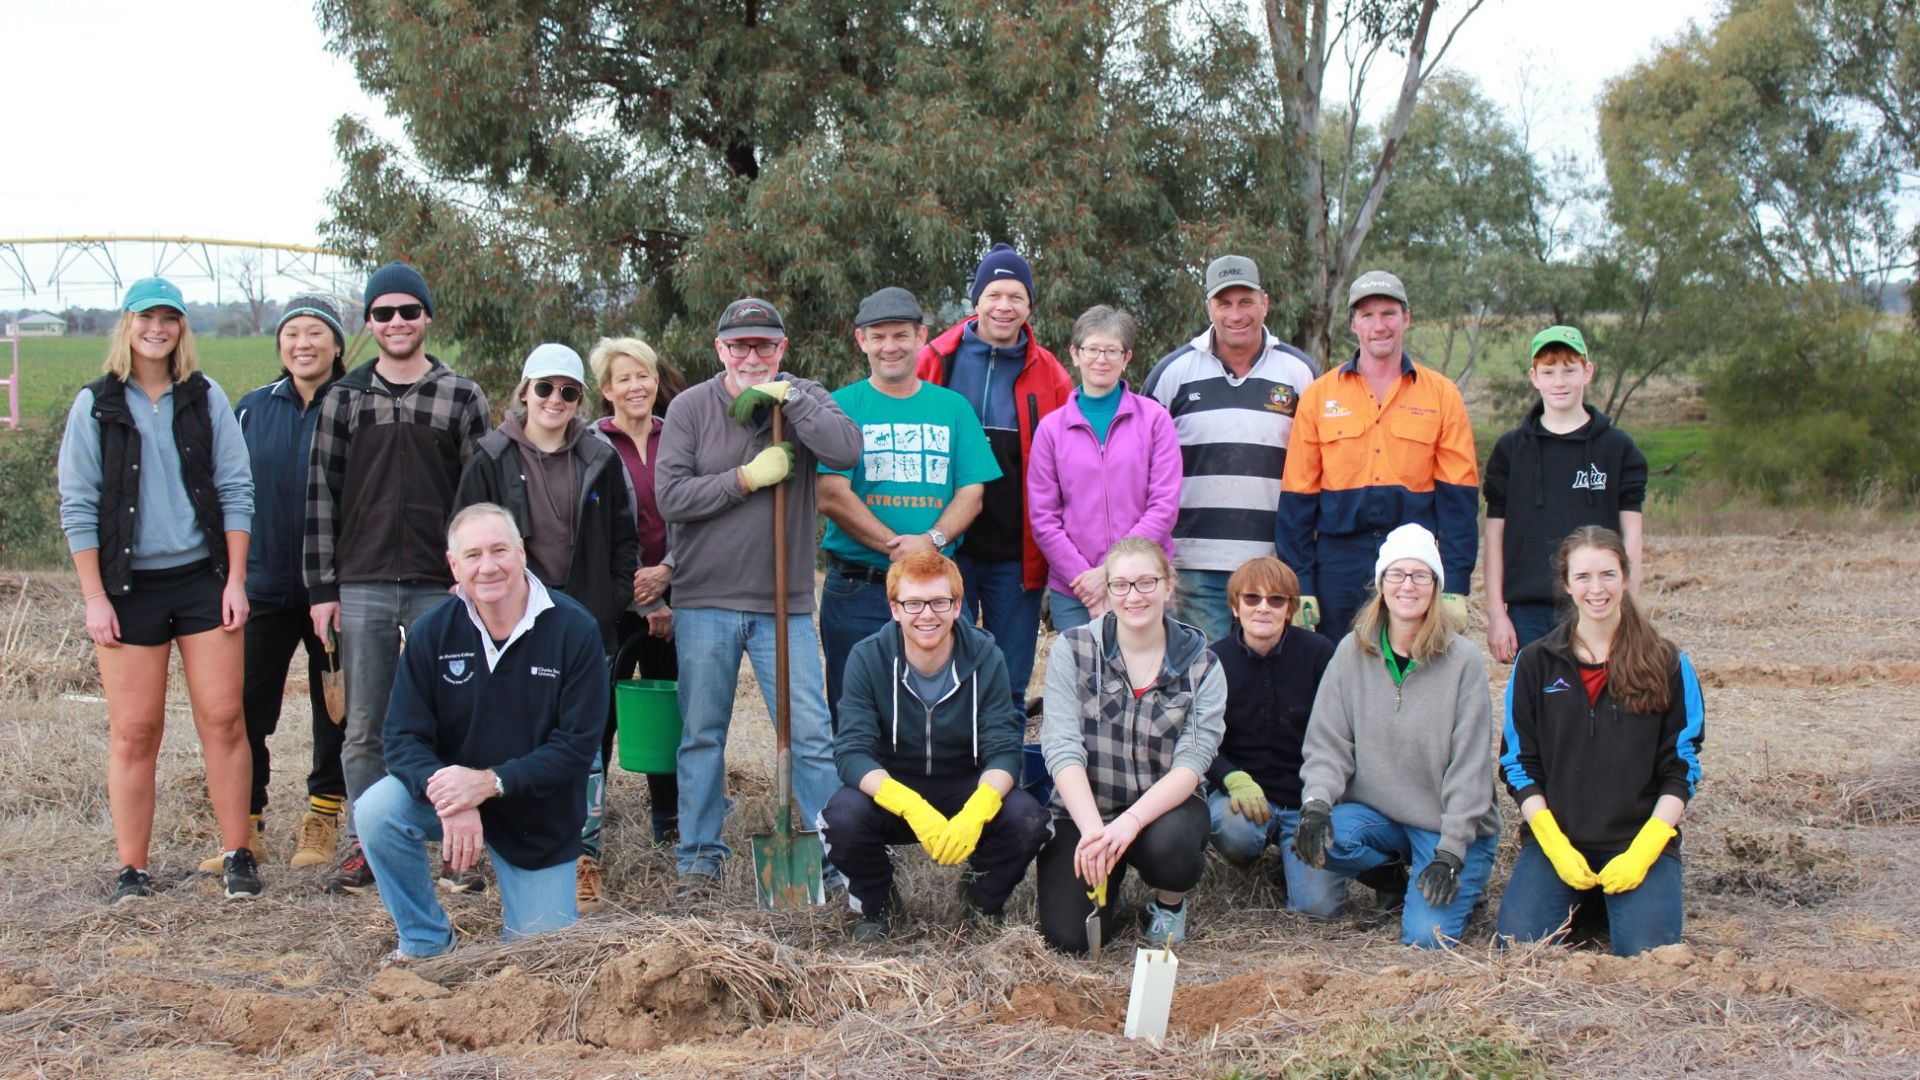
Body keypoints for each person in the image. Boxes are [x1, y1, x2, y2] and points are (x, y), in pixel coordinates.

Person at [56, 277, 259, 903]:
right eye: (147, 317)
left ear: (181, 329)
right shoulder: (96, 406)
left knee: (223, 719)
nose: (158, 328)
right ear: (128, 324)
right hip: (126, 587)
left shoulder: (206, 397)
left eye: (170, 318)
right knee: (135, 731)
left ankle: (237, 854)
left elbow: (235, 488)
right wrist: (95, 597)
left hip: (203, 581)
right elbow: (78, 505)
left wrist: (236, 580)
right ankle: (133, 870)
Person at [655, 297, 862, 892]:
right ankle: (698, 855)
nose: (752, 356)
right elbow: (672, 497)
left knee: (810, 735)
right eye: (739, 346)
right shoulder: (692, 408)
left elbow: (847, 450)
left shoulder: (805, 395)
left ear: (781, 349)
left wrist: (791, 401)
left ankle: (834, 852)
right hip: (705, 600)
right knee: (701, 734)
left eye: (764, 346)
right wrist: (745, 480)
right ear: (720, 350)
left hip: (785, 604)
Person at [305, 261, 491, 894]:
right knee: (364, 725)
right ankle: (366, 842)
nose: (396, 322)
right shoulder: (344, 398)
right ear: (369, 323)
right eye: (382, 313)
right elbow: (322, 498)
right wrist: (323, 589)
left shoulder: (461, 396)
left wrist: (472, 578)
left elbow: (479, 500)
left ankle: (457, 844)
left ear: (426, 318)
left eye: (408, 311)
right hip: (360, 584)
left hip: (442, 587)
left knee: (454, 718)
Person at [357, 504, 605, 963]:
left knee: (541, 964)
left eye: (499, 550)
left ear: (522, 554)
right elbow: (402, 738)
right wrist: (452, 799)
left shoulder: (574, 630)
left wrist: (488, 784)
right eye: (472, 555)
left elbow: (575, 749)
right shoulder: (433, 632)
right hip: (452, 800)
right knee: (376, 811)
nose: (487, 566)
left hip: (537, 819)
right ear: (454, 566)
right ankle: (426, 942)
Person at [454, 343, 640, 909]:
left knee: (583, 744)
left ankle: (583, 854)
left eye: (569, 391)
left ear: (580, 399)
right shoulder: (489, 457)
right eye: (545, 388)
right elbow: (465, 539)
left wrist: (606, 604)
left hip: (582, 624)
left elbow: (623, 541)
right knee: (510, 737)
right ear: (524, 391)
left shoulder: (599, 457)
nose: (555, 400)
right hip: (508, 624)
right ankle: (499, 845)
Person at [820, 551, 1051, 940]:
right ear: (894, 608)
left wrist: (978, 808)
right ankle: (876, 905)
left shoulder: (986, 657)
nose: (927, 614)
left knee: (1028, 820)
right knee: (841, 816)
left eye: (939, 602)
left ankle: (981, 900)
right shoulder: (867, 657)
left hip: (966, 782)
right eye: (913, 603)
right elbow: (851, 751)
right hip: (894, 785)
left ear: (958, 605)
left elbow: (1004, 748)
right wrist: (909, 804)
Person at [1496, 526, 1704, 957]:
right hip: (1559, 842)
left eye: (1608, 575)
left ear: (1626, 578)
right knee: (1516, 948)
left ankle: (1619, 898)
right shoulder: (1535, 662)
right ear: (1567, 584)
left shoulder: (1667, 663)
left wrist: (1647, 846)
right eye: (1584, 577)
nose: (1597, 589)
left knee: (1648, 955)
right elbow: (1518, 763)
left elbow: (1682, 767)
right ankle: (1584, 898)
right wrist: (1552, 840)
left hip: (1637, 843)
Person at [1292, 523, 1501, 948]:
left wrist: (1450, 852)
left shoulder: (1463, 662)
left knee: (1426, 938)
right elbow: (1328, 743)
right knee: (1327, 838)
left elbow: (1471, 767)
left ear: (1436, 586)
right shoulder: (1352, 651)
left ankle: (1460, 876)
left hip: (1445, 825)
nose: (1408, 585)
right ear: (1381, 583)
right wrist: (1315, 803)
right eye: (1397, 574)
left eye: (1420, 575)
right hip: (1379, 815)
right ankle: (1396, 877)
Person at [818, 287, 998, 729]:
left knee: (936, 709)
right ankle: (860, 797)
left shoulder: (952, 408)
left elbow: (972, 491)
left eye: (900, 335)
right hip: (857, 589)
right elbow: (830, 492)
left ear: (922, 337)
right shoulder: (839, 407)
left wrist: (930, 542)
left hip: (932, 592)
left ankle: (929, 795)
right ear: (861, 341)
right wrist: (894, 545)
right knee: (854, 708)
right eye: (878, 337)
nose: (890, 346)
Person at [1036, 537, 1225, 953]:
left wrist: (1130, 824)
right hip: (1088, 810)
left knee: (1173, 850)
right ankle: (1110, 879)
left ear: (1168, 586)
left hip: (1161, 812)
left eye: (1146, 583)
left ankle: (1167, 904)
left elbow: (1192, 763)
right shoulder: (1073, 648)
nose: (1133, 596)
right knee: (1068, 938)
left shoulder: (1203, 665)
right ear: (1107, 591)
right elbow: (1062, 746)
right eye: (1120, 585)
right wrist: (1093, 833)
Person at [1278, 270, 1478, 642]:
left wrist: (1456, 581)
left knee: (1414, 666)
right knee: (1337, 665)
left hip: (1414, 557)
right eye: (1367, 315)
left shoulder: (1442, 395)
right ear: (1353, 324)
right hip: (1339, 560)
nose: (1379, 325)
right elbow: (1297, 500)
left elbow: (1459, 500)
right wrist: (1301, 582)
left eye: (1388, 313)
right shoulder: (1320, 397)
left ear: (1407, 318)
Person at [915, 244, 1073, 712]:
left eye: (1017, 296)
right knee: (940, 669)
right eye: (995, 294)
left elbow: (1066, 468)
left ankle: (1004, 779)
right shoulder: (937, 358)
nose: (1005, 306)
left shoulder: (1052, 375)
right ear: (976, 300)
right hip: (946, 546)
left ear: (1029, 306)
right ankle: (947, 775)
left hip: (1016, 556)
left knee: (1008, 680)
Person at [230, 294, 349, 873]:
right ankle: (245, 822)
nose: (303, 344)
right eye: (292, 334)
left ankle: (323, 815)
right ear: (280, 345)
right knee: (247, 708)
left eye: (316, 333)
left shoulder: (358, 404)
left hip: (338, 589)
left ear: (337, 344)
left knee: (337, 710)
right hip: (265, 586)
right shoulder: (252, 410)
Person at [1144, 256, 1319, 641]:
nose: (1235, 314)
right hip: (1195, 565)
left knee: (1268, 680)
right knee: (1205, 675)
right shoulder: (1173, 372)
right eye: (1224, 303)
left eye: (1246, 302)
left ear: (1265, 303)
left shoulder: (1299, 372)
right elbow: (1143, 467)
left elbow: (1321, 464)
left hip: (1273, 565)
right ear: (1209, 307)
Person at [1483, 327, 1648, 661]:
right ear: (1534, 377)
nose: (1559, 382)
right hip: (1528, 612)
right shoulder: (1509, 451)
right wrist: (1496, 615)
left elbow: (1633, 536)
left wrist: (1630, 608)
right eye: (1549, 372)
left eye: (1570, 370)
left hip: (1597, 603)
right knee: (1539, 706)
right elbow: (1493, 536)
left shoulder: (1618, 449)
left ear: (1587, 372)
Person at [1202, 556, 1342, 914]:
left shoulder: (1320, 653)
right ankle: (1250, 856)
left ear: (1290, 609)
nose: (1263, 608)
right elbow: (1200, 738)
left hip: (1305, 798)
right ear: (1235, 606)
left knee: (1319, 910)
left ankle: (1294, 858)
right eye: (1252, 598)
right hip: (1245, 797)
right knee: (1233, 831)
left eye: (1276, 600)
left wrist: (1319, 800)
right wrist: (1230, 777)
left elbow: (1339, 732)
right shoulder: (1212, 661)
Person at [1028, 305, 1182, 632]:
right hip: (1077, 589)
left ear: (1126, 358)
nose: (1102, 359)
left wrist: (1114, 576)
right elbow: (1044, 517)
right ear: (1075, 354)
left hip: (1144, 583)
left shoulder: (1155, 420)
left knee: (1149, 677)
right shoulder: (1051, 429)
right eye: (1093, 349)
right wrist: (1088, 581)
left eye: (1112, 350)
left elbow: (1164, 506)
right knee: (1086, 679)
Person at [589, 336, 685, 852]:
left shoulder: (679, 436)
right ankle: (588, 819)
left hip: (675, 594)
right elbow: (596, 530)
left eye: (642, 375)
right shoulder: (589, 445)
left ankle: (669, 818)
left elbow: (693, 517)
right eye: (622, 378)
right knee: (600, 709)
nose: (635, 386)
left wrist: (667, 575)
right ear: (606, 390)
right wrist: (641, 597)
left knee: (671, 704)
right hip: (613, 601)